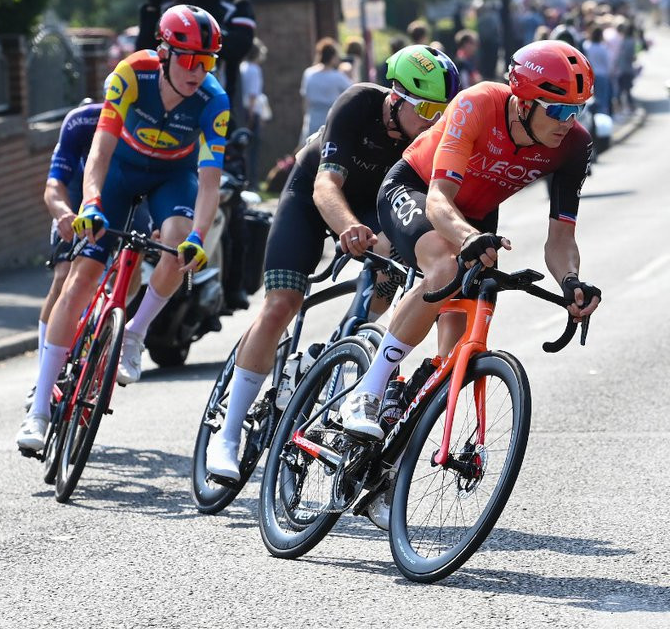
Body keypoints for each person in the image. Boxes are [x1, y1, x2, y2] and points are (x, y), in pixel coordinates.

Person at [205, 45, 461, 481]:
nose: (434, 119)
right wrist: (346, 226)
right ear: (395, 96)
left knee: (382, 292)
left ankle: (349, 357)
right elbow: (326, 185)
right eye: (426, 107)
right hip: (311, 196)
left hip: (374, 210)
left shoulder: (429, 139)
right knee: (282, 303)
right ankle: (227, 434)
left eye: (443, 110)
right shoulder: (358, 103)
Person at [341, 40, 601, 451]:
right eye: (558, 110)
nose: (568, 121)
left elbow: (561, 238)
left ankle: (390, 454)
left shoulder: (574, 146)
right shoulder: (477, 104)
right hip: (417, 189)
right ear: (522, 101)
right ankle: (367, 393)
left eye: (577, 109)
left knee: (456, 353)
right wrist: (464, 238)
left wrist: (571, 281)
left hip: (477, 216)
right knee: (444, 268)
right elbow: (440, 200)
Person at [16, 5, 228, 452]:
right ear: (164, 52)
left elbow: (210, 182)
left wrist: (198, 236)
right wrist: (90, 202)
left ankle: (134, 334)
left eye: (208, 61)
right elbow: (99, 151)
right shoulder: (132, 74)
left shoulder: (213, 101)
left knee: (176, 241)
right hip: (119, 173)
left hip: (172, 178)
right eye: (190, 59)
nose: (199, 71)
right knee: (80, 281)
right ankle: (38, 411)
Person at [22, 87, 153, 412]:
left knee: (133, 258)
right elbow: (54, 186)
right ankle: (44, 374)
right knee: (64, 275)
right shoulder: (80, 122)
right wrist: (63, 213)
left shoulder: (149, 131)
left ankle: (110, 314)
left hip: (129, 205)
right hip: (81, 207)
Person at [136, 0, 255, 124]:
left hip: (214, 111)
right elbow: (144, 53)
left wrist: (188, 4)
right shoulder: (168, 2)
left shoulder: (235, 4)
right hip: (161, 110)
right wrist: (153, 3)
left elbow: (238, 48)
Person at [298, 37, 353, 144]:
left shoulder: (308, 73)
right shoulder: (337, 76)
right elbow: (353, 90)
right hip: (331, 120)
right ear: (332, 57)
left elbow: (305, 100)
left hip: (312, 119)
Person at [240, 37, 268, 190]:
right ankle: (253, 183)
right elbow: (253, 95)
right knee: (253, 149)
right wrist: (252, 114)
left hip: (241, 110)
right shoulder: (254, 69)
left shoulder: (243, 67)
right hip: (251, 112)